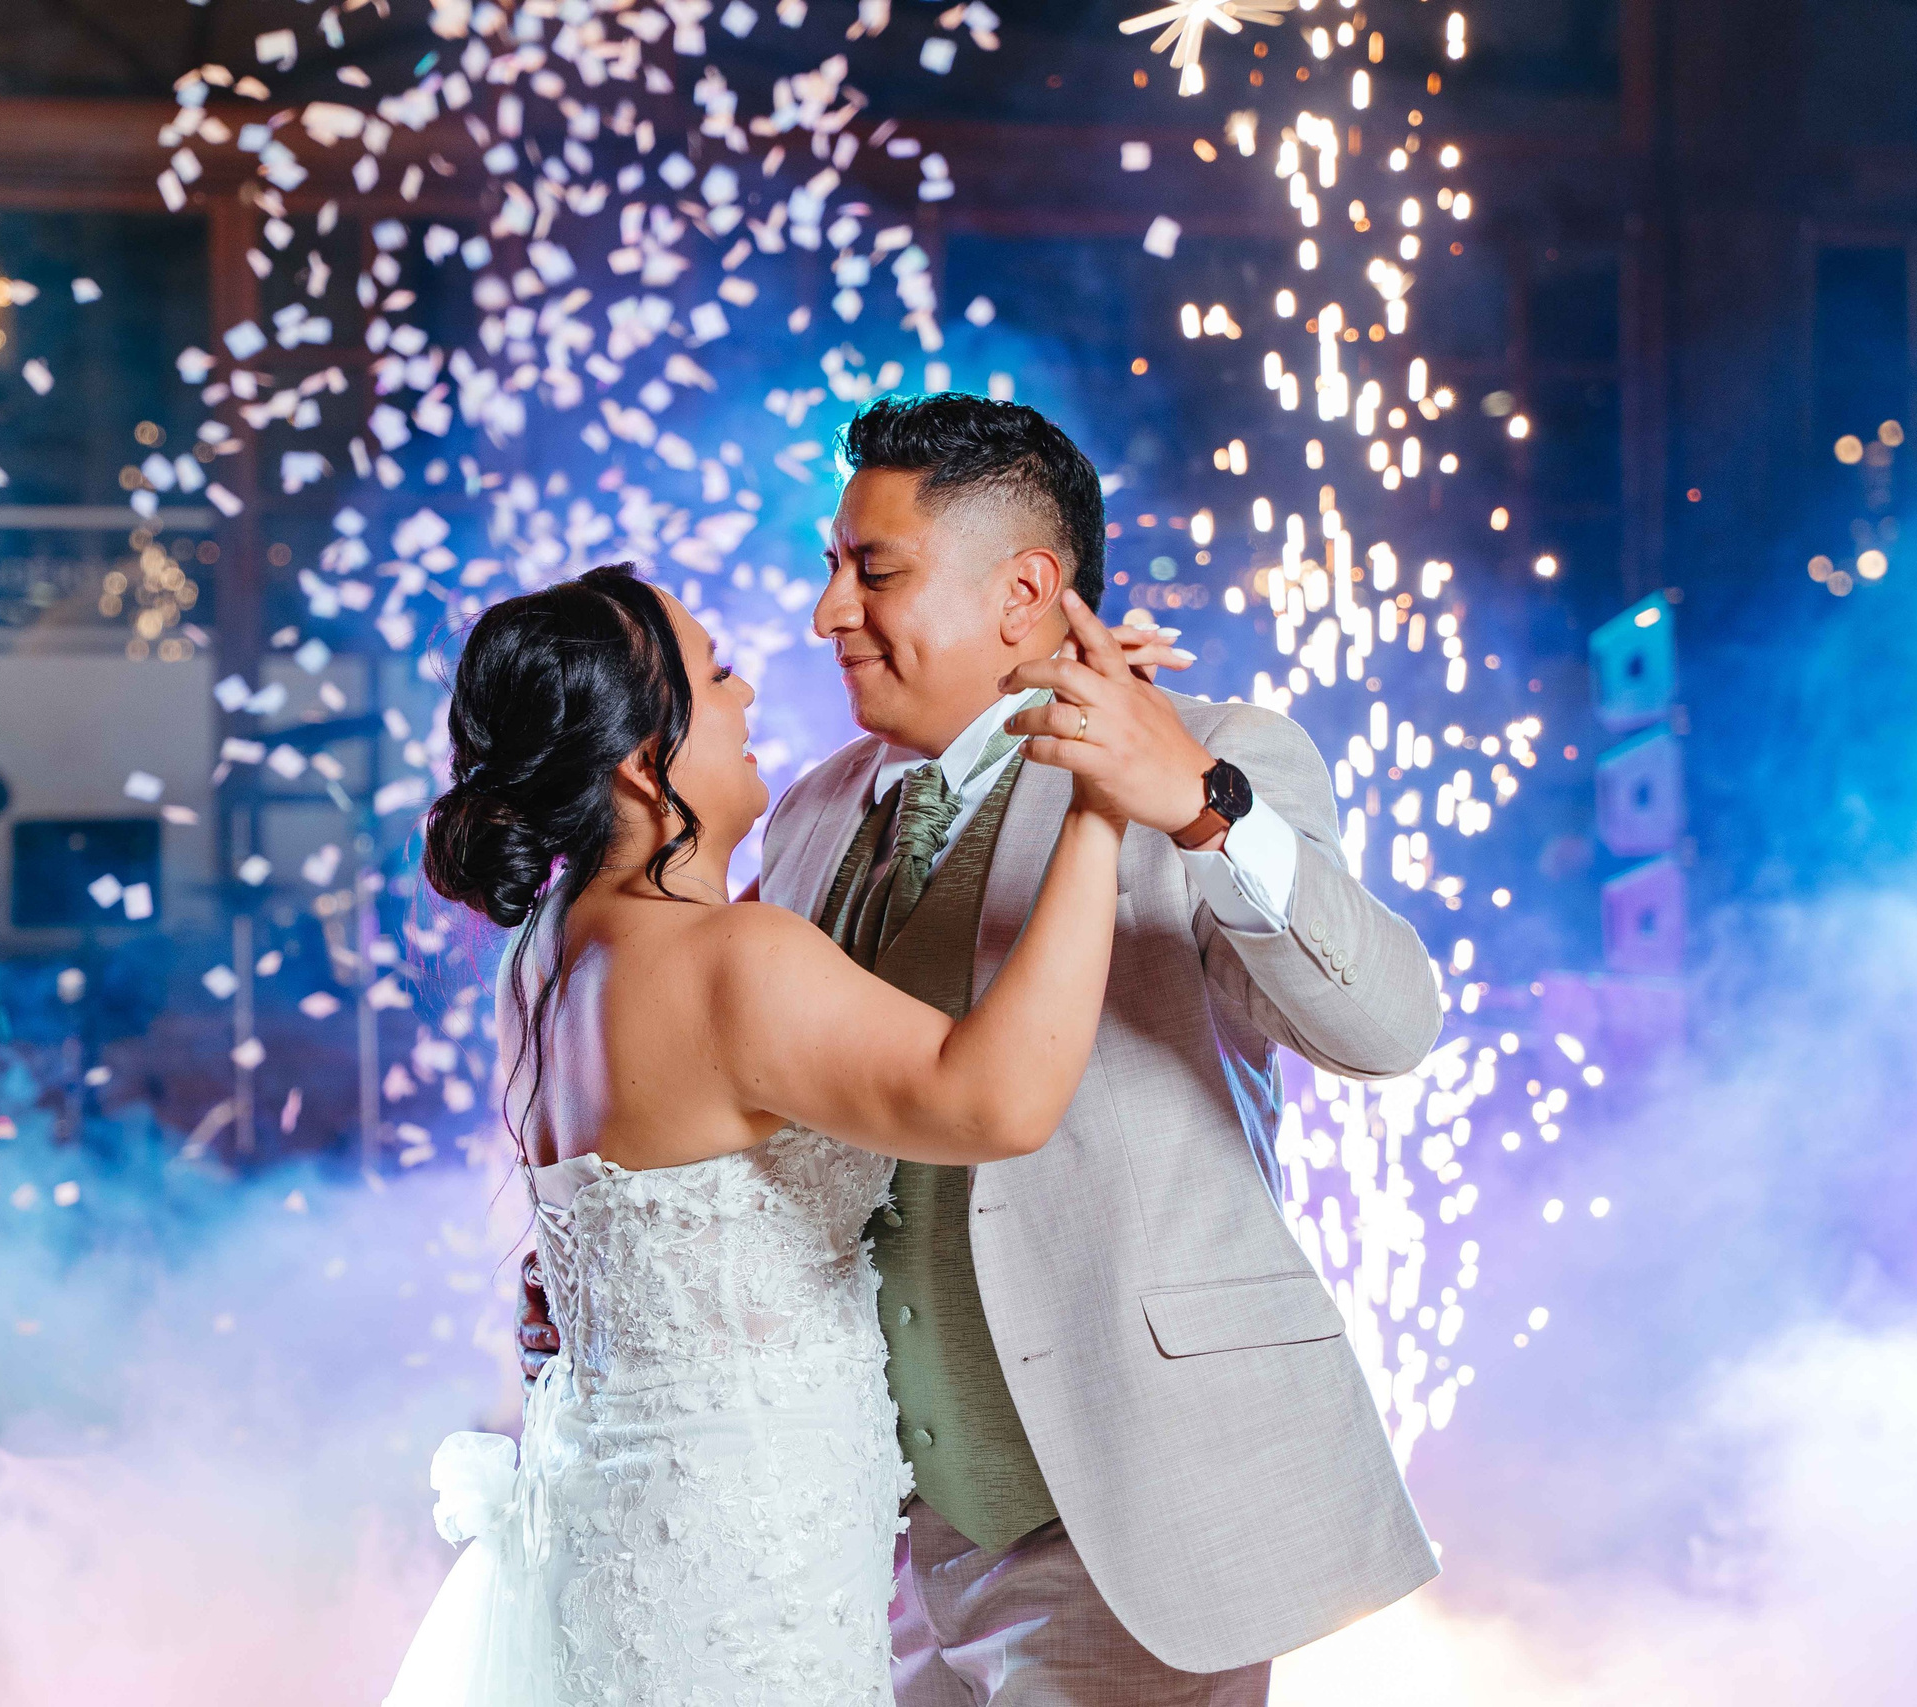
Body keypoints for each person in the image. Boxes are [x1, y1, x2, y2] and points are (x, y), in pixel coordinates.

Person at [520, 394, 1445, 1705]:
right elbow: (742, 1097)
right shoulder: (811, 810)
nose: (827, 613)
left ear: (1024, 593)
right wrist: (614, 1257)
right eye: (834, 568)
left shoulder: (1219, 757)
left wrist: (1200, 810)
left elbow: (1391, 1022)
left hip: (1130, 1499)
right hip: (864, 1532)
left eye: (872, 572)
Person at [386, 562, 1134, 1705]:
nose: (745, 699)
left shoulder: (542, 958)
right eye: (715, 674)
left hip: (618, 1518)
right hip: (742, 1547)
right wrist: (1098, 809)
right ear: (643, 763)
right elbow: (998, 1100)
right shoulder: (732, 961)